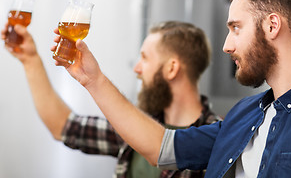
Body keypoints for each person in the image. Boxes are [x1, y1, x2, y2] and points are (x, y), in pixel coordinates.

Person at [52, 0, 291, 177]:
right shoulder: (244, 115)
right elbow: (160, 147)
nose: (227, 46)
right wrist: (93, 80)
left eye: (236, 28)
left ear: (271, 26)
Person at [1, 20, 221, 178]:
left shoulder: (220, 141)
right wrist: (30, 60)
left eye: (144, 58)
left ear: (172, 68)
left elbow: (160, 149)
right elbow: (64, 127)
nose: (136, 69)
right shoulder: (135, 124)